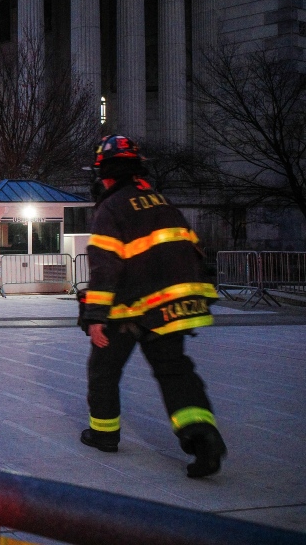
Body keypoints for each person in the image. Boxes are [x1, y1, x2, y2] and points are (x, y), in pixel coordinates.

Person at [80, 134, 226, 478]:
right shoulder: (163, 203)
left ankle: (103, 434)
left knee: (104, 369)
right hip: (171, 308)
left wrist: (96, 317)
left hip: (129, 311)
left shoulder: (111, 208)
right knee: (175, 372)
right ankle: (202, 437)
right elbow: (192, 250)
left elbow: (105, 267)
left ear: (105, 174)